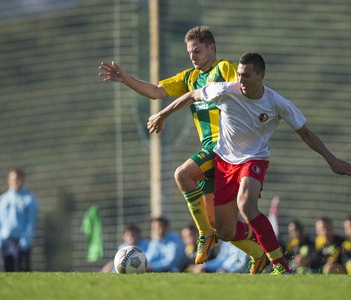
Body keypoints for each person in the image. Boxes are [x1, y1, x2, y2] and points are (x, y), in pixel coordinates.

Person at [147, 52, 351, 275]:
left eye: (246, 76)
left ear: (261, 75)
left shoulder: (277, 103)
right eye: (239, 75)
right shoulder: (226, 90)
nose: (241, 80)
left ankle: (280, 265)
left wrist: (331, 159)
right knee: (225, 231)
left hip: (254, 160)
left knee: (247, 205)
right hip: (224, 162)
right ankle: (256, 250)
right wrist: (162, 114)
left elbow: (305, 133)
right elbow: (191, 96)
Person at [98, 26, 264, 268]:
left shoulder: (224, 68)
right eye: (189, 52)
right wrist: (124, 78)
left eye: (197, 51)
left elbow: (243, 91)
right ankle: (260, 254)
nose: (192, 56)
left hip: (225, 147)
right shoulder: (189, 77)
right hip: (211, 150)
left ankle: (205, 235)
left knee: (182, 174)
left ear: (212, 48)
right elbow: (155, 91)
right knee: (223, 227)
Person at [0, 168, 39, 272]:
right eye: (13, 179)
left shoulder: (29, 199)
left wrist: (26, 239)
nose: (16, 181)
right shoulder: (3, 199)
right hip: (5, 241)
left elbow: (31, 221)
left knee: (22, 271)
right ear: (9, 180)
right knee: (7, 272)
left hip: (20, 241)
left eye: (18, 178)